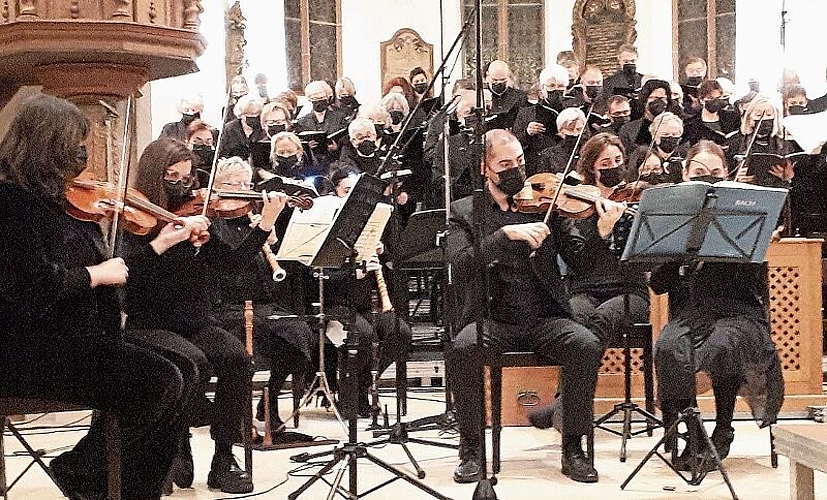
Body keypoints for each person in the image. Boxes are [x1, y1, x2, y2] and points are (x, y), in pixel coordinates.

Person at [0, 93, 195, 499]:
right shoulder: (12, 202)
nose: (82, 153)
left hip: (82, 337)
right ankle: (85, 473)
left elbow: (115, 274)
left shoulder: (64, 202)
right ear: (47, 144)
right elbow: (30, 287)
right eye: (75, 141)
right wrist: (94, 273)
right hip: (31, 347)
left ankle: (122, 486)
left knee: (186, 369)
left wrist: (118, 242)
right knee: (158, 380)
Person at [123, 138, 288, 494]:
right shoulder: (135, 218)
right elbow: (128, 280)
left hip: (195, 320)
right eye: (172, 176)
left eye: (187, 176)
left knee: (238, 361)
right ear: (155, 175)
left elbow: (230, 266)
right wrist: (162, 244)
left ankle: (223, 458)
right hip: (149, 323)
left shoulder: (198, 216)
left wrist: (264, 226)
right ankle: (175, 447)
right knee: (192, 365)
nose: (183, 186)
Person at [445, 129, 603, 484]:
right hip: (493, 319)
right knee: (462, 349)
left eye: (520, 161)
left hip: (544, 316)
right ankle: (471, 445)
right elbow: (459, 265)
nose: (516, 170)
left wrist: (600, 231)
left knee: (585, 344)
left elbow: (580, 262)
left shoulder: (546, 204)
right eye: (505, 164)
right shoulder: (464, 211)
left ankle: (573, 446)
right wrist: (504, 237)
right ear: (485, 168)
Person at [651, 140, 784, 470]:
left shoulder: (742, 212)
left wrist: (751, 246)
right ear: (684, 174)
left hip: (739, 311)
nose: (707, 178)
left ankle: (723, 430)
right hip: (692, 314)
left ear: (727, 174)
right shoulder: (674, 217)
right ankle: (694, 433)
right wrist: (683, 251)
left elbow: (749, 281)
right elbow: (657, 284)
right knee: (668, 348)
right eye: (699, 173)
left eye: (715, 173)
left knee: (722, 345)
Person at [527, 133, 650, 432]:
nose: (614, 167)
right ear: (591, 168)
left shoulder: (639, 200)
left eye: (618, 161)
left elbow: (648, 257)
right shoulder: (575, 207)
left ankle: (564, 405)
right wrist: (601, 231)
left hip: (629, 292)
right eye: (605, 163)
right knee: (574, 319)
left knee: (600, 320)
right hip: (585, 288)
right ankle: (568, 405)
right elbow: (578, 261)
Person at [209, 157, 317, 432]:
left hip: (261, 302)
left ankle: (269, 401)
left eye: (246, 184)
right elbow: (231, 264)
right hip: (226, 305)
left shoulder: (251, 220)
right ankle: (239, 411)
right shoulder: (213, 221)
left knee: (298, 333)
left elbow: (271, 276)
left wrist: (269, 241)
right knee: (250, 333)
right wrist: (259, 233)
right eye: (233, 184)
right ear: (218, 186)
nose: (242, 189)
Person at [513, 64, 573, 171]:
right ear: (542, 87)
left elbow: (584, 142)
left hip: (565, 166)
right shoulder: (526, 113)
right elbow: (515, 144)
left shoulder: (574, 113)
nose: (556, 89)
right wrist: (528, 133)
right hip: (536, 166)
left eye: (560, 86)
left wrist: (569, 137)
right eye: (551, 86)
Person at [729, 95, 794, 188]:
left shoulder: (786, 145)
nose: (764, 119)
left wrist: (788, 178)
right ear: (749, 118)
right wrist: (735, 179)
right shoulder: (735, 143)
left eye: (769, 115)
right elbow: (724, 176)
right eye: (758, 115)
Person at [294, 80, 349, 176]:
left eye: (321, 98)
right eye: (315, 99)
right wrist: (307, 147)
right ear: (310, 100)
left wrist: (337, 147)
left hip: (334, 163)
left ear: (328, 98)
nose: (319, 102)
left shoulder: (339, 117)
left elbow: (345, 139)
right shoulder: (302, 121)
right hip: (311, 165)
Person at [626, 112, 687, 184]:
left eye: (675, 134)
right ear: (654, 136)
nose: (670, 137)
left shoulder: (685, 156)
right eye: (665, 134)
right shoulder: (642, 155)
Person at [618, 78, 676, 152]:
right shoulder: (628, 130)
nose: (658, 101)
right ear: (645, 100)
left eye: (662, 98)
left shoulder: (675, 127)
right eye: (655, 98)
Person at [683, 79, 740, 148]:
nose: (715, 101)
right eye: (710, 98)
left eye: (718, 98)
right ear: (701, 100)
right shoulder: (691, 123)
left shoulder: (732, 117)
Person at [536, 106, 588, 175]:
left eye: (579, 129)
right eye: (570, 129)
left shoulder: (591, 152)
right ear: (560, 131)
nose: (576, 134)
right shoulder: (548, 156)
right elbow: (543, 181)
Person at [218, 95, 266, 160]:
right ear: (241, 114)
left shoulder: (264, 128)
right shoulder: (229, 129)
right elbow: (223, 152)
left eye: (257, 113)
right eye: (251, 114)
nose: (255, 116)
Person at [486, 59, 529, 129]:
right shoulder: (480, 96)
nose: (499, 82)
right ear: (488, 76)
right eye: (495, 80)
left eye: (503, 79)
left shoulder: (519, 97)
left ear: (508, 76)